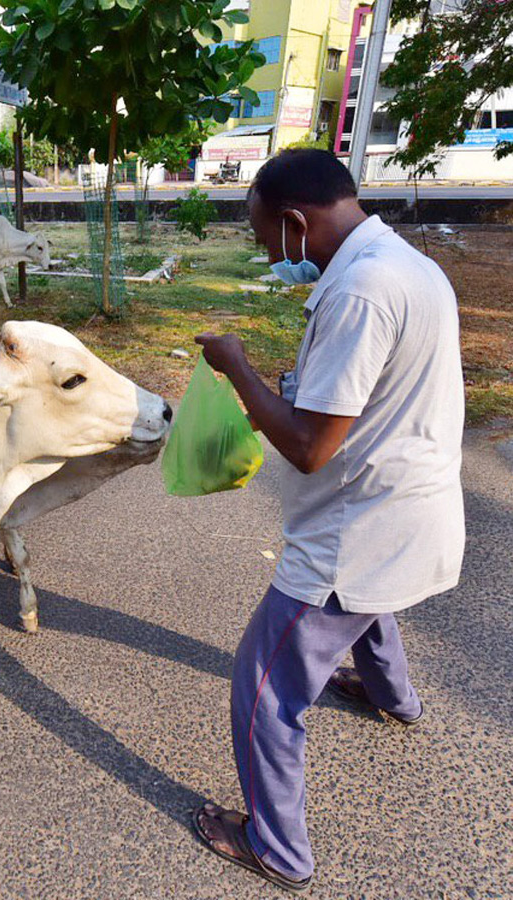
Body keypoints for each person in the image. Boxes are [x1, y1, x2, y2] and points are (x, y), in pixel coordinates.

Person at [191, 149, 464, 892]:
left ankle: (276, 848)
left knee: (266, 685)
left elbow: (311, 449)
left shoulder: (360, 292)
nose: (265, 253)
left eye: (262, 238)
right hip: (412, 509)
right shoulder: (404, 264)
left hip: (359, 525)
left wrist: (238, 370)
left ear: (293, 222)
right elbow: (361, 395)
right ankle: (391, 697)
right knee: (370, 603)